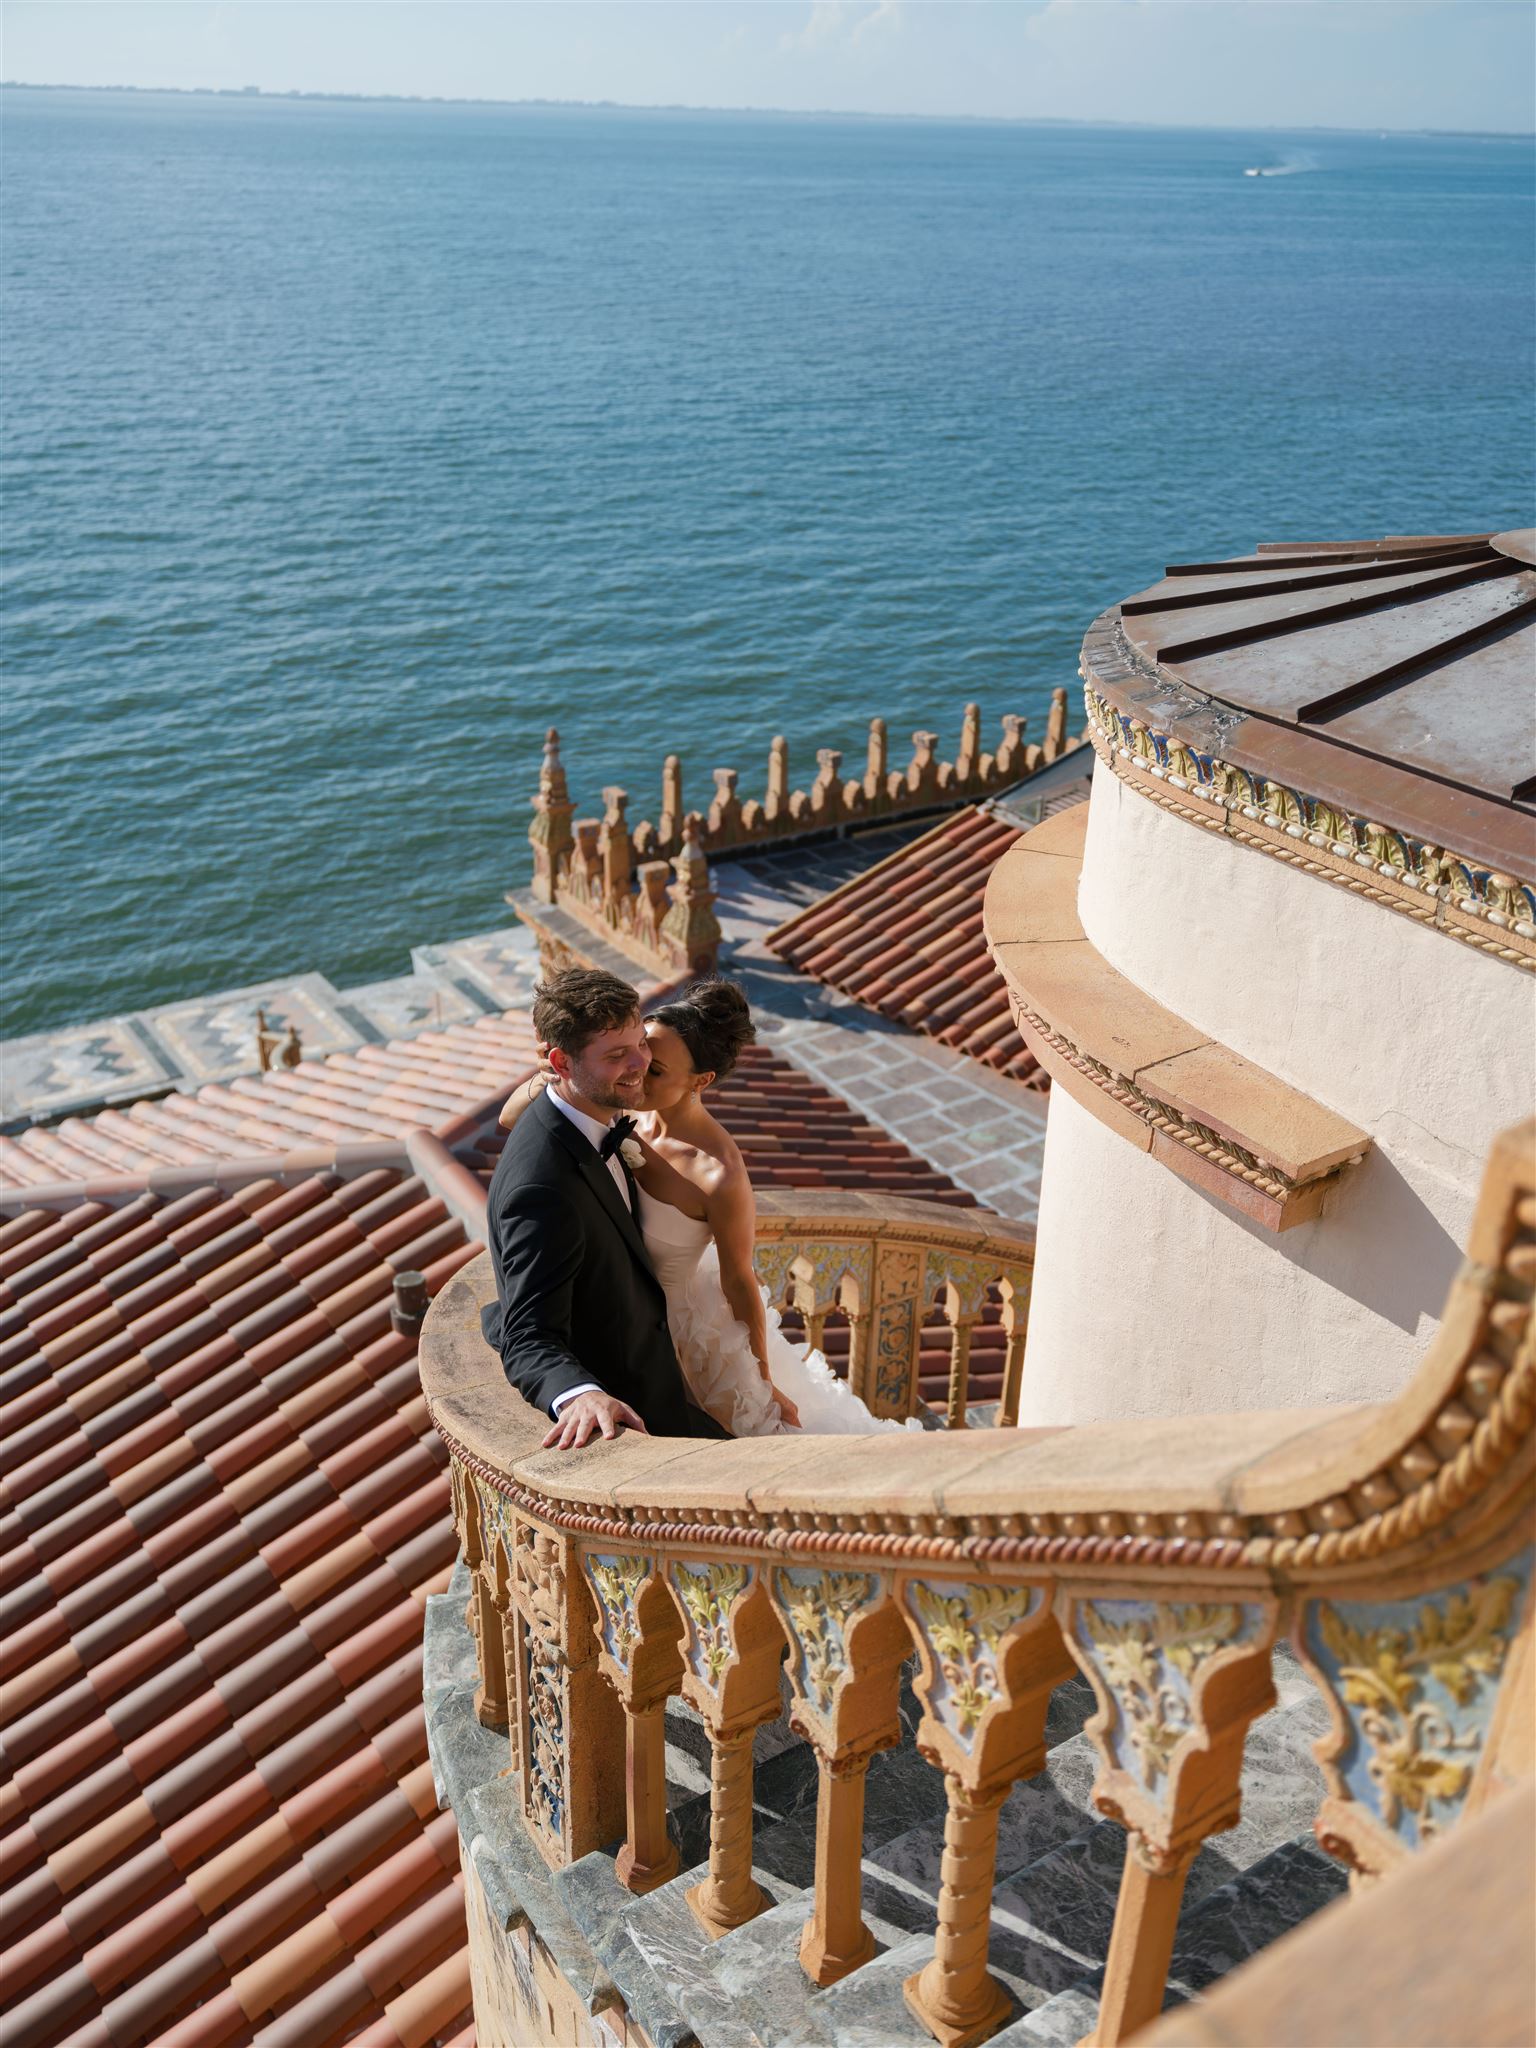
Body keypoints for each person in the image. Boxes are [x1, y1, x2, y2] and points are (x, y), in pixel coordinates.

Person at [500, 976, 917, 1439]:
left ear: (701, 1081)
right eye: (633, 1053)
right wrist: (560, 1072)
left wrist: (763, 1378)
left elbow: (739, 1279)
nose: (640, 1068)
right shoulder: (621, 1109)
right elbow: (515, 1117)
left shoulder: (718, 1173)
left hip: (690, 1326)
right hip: (629, 1319)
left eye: (654, 1066)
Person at [485, 967, 731, 1451]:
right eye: (617, 1055)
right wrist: (578, 1394)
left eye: (641, 1043)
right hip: (637, 1404)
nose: (640, 1063)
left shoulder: (596, 1110)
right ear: (561, 1062)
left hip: (663, 1372)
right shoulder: (544, 1187)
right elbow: (528, 1334)